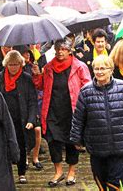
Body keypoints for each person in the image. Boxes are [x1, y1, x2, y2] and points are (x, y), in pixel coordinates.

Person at [71, 55, 123, 190]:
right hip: (97, 147)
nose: (99, 72)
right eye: (96, 68)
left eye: (103, 68)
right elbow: (79, 118)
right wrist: (76, 139)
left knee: (115, 185)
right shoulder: (86, 92)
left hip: (122, 146)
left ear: (111, 70)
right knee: (102, 184)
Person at [32, 38, 91, 187]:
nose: (60, 52)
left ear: (69, 50)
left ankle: (72, 171)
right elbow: (40, 86)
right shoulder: (48, 67)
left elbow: (88, 87)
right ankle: (58, 171)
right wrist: (37, 74)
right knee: (53, 141)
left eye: (63, 49)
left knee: (72, 142)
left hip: (72, 110)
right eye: (57, 49)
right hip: (52, 110)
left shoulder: (80, 67)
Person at [0, 50, 38, 184]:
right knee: (2, 145)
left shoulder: (26, 78)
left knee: (20, 145)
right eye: (11, 64)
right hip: (3, 119)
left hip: (20, 119)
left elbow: (32, 101)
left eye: (16, 64)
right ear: (6, 64)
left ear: (21, 64)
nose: (13, 67)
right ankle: (5, 172)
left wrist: (31, 119)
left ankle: (21, 172)